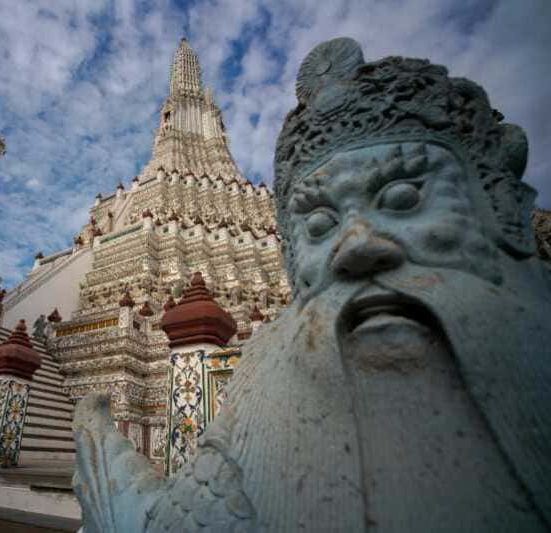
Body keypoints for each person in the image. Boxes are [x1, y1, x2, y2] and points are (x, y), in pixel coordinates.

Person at [71, 38, 551, 532]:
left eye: (403, 198)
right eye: (320, 225)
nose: (356, 247)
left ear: (503, 215)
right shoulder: (266, 389)